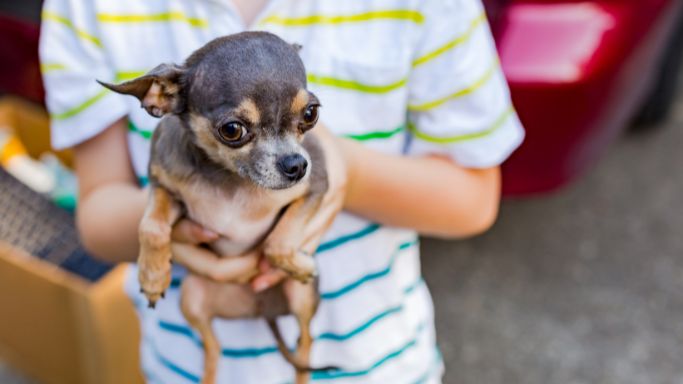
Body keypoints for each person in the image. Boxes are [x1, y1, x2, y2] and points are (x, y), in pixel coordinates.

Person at [39, 0, 524, 382]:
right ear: (160, 97)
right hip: (182, 365)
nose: (289, 157)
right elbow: (98, 214)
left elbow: (474, 200)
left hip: (377, 364)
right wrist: (170, 234)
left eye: (305, 117)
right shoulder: (89, 8)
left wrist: (343, 167)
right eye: (235, 130)